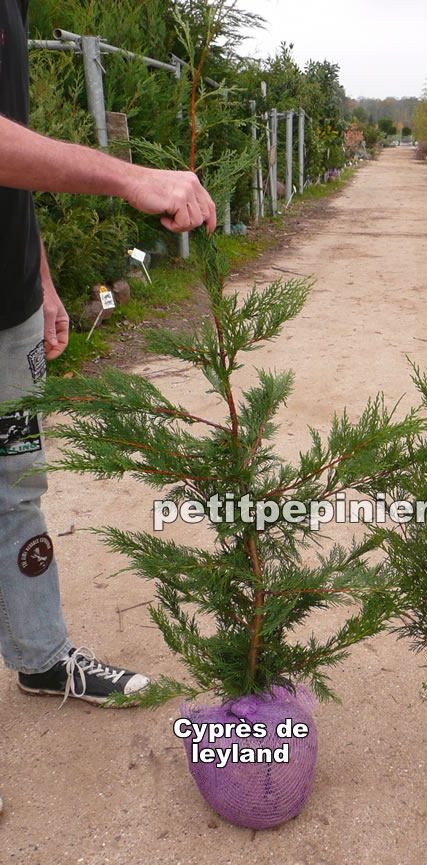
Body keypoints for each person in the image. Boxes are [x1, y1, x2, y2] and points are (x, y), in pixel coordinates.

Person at [0, 0, 216, 705]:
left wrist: (41, 277)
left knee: (16, 484)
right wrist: (128, 176)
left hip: (9, 306)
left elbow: (13, 151)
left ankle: (41, 655)